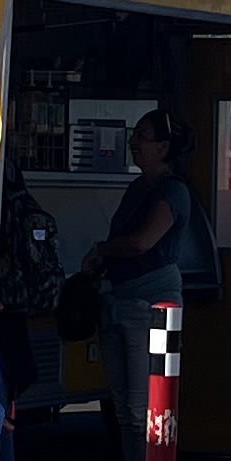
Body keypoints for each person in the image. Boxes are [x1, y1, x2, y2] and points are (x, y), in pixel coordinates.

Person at [77, 110, 194, 372]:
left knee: (147, 396)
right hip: (120, 301)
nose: (133, 142)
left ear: (163, 147)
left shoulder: (173, 190)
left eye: (142, 136)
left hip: (151, 304)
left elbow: (141, 242)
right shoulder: (137, 186)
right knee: (125, 401)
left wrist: (102, 249)